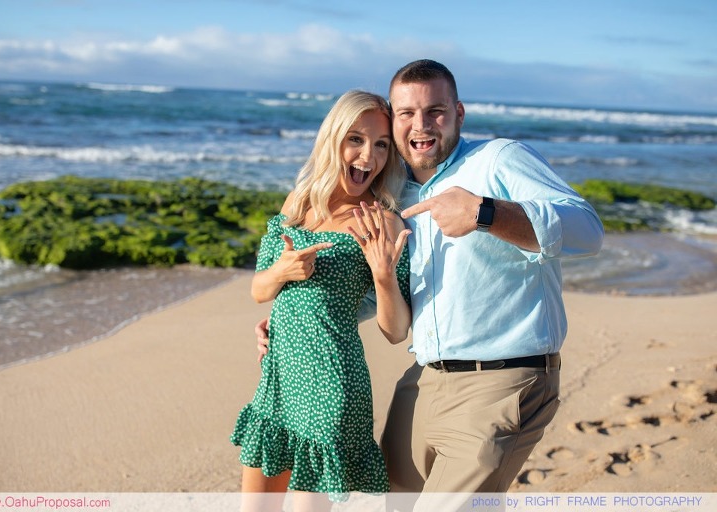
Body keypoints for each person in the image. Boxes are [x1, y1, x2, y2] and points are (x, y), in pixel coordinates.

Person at [257, 60, 604, 509]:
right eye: (406, 113)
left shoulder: (498, 160)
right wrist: (292, 320)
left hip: (502, 381)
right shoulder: (395, 193)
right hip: (422, 382)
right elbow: (373, 290)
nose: (421, 125)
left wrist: (484, 213)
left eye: (435, 111)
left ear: (458, 113)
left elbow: (588, 231)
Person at [231, 90, 413, 512]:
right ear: (333, 139)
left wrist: (383, 275)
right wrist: (283, 271)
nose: (368, 156)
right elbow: (259, 290)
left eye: (382, 145)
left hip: (331, 387)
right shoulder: (299, 203)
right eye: (356, 139)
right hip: (278, 382)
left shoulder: (383, 221)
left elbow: (396, 331)